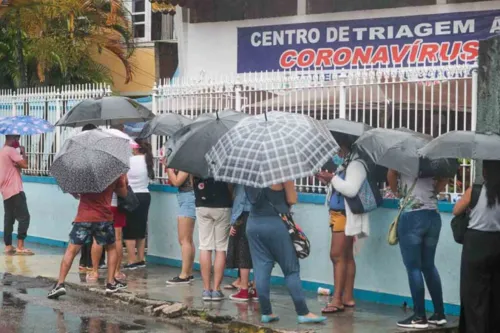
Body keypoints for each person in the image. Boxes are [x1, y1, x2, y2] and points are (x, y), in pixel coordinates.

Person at [245, 181, 326, 324]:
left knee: (261, 268)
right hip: (276, 225)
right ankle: (303, 312)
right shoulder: (280, 173)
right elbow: (292, 199)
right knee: (291, 270)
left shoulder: (249, 173)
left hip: (253, 224)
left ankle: (266, 312)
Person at [47, 174, 128, 299]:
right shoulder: (113, 173)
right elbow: (123, 194)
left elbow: (73, 192)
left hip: (84, 217)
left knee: (71, 250)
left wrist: (78, 195)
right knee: (111, 248)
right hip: (104, 218)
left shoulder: (85, 173)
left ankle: (60, 284)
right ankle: (110, 283)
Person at [387, 169, 448, 329]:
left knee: (413, 267)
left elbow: (391, 173)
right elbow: (445, 176)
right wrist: (433, 191)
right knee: (429, 265)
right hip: (433, 215)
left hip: (412, 215)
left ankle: (420, 316)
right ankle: (439, 314)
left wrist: (398, 192)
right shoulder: (434, 156)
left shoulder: (405, 150)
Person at [316, 135, 365, 314]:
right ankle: (347, 297)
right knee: (345, 256)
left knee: (336, 255)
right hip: (337, 214)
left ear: (345, 146)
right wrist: (327, 180)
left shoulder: (357, 164)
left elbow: (351, 190)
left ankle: (337, 300)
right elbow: (339, 186)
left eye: (337, 148)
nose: (335, 152)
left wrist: (332, 179)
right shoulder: (345, 163)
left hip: (346, 215)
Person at [453, 160, 500, 333]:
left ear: (485, 171)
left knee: (473, 294)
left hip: (475, 245)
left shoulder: (474, 191)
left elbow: (456, 210)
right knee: (495, 293)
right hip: (497, 244)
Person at [193, 177, 232, 301]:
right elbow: (230, 185)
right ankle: (216, 289)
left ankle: (206, 289)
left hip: (202, 205)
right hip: (222, 204)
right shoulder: (225, 160)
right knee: (221, 248)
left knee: (205, 247)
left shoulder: (196, 161)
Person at [78, 124, 105, 272]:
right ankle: (96, 264)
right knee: (99, 237)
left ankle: (84, 262)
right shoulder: (99, 155)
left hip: (85, 204)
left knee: (84, 236)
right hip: (99, 204)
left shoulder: (79, 156)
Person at [123, 139, 154, 269]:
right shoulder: (148, 160)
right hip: (145, 196)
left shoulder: (129, 160)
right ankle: (141, 259)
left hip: (131, 195)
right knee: (141, 228)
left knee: (129, 229)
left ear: (135, 148)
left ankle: (131, 260)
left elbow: (124, 179)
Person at [0, 134, 33, 255]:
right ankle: (20, 246)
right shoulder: (11, 150)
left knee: (9, 218)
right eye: (17, 138)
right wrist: (23, 152)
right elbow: (25, 164)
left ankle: (8, 246)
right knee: (25, 217)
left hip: (5, 190)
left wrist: (17, 163)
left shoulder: (3, 151)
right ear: (12, 138)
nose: (18, 141)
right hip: (15, 189)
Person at [226, 184, 257, 302]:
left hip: (244, 214)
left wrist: (233, 221)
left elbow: (241, 199)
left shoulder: (243, 172)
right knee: (259, 255)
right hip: (262, 216)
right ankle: (256, 289)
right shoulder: (266, 173)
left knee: (243, 252)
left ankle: (244, 289)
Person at [165, 168, 196, 285]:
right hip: (185, 197)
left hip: (188, 198)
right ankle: (188, 272)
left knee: (184, 239)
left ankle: (184, 275)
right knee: (188, 239)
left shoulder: (187, 162)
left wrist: (169, 170)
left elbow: (177, 181)